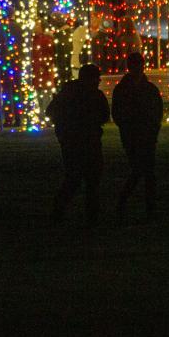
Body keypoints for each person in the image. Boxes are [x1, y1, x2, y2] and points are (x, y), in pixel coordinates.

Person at [46, 64, 109, 226]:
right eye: (96, 78)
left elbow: (51, 111)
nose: (99, 81)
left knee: (78, 180)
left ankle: (63, 211)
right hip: (84, 143)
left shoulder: (68, 93)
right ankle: (89, 216)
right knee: (87, 181)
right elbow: (104, 115)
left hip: (75, 143)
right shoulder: (91, 95)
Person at [112, 51, 163, 220]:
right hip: (135, 135)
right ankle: (137, 204)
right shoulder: (132, 89)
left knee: (145, 171)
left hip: (143, 135)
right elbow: (118, 114)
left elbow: (157, 111)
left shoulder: (139, 89)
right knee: (142, 170)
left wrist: (152, 128)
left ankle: (144, 206)